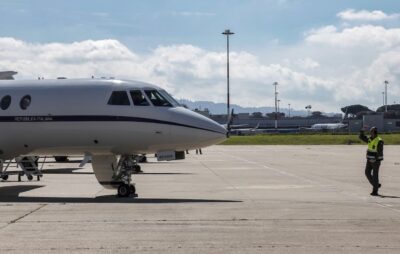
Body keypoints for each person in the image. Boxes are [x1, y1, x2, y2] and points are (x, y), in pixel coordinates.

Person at [359, 126, 384, 196]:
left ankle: (375, 191)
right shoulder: (370, 139)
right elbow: (361, 137)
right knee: (367, 173)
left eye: (371, 131)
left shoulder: (379, 141)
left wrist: (375, 159)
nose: (370, 133)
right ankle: (376, 184)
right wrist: (362, 130)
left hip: (375, 161)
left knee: (375, 175)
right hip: (369, 160)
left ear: (374, 132)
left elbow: (380, 152)